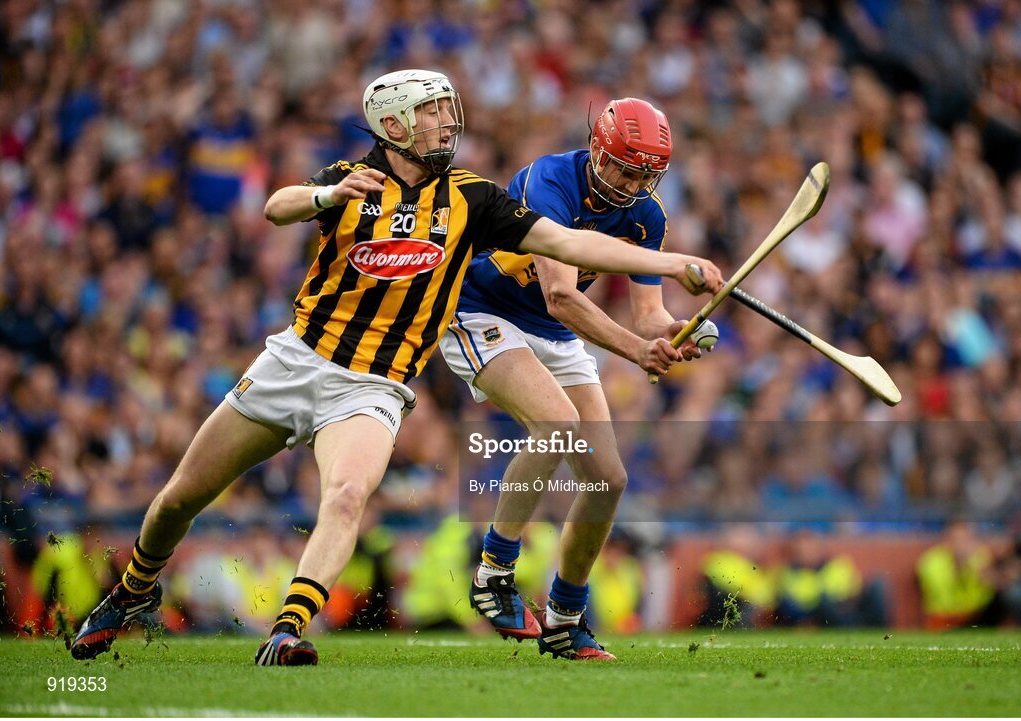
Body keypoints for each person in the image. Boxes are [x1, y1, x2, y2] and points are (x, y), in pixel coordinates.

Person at [69, 70, 720, 667]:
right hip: (369, 340)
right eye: (434, 113)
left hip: (384, 380)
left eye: (446, 111)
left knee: (593, 475)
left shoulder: (484, 199)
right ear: (395, 124)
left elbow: (604, 278)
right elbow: (279, 206)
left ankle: (548, 618)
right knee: (183, 494)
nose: (448, 123)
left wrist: (674, 320)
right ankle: (131, 590)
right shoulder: (366, 179)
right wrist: (327, 193)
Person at [438, 97, 723, 660]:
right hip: (481, 308)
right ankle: (494, 573)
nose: (631, 182)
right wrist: (639, 352)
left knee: (607, 479)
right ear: (597, 148)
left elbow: (649, 316)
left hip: (554, 332)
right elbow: (562, 295)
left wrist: (678, 333)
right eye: (623, 167)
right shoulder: (548, 180)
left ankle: (566, 618)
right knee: (555, 422)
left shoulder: (648, 216)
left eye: (646, 173)